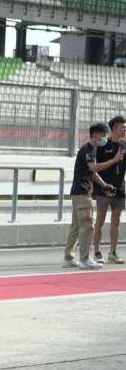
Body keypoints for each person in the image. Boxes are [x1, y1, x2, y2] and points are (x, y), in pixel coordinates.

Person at [64, 123, 122, 270]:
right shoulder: (88, 149)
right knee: (88, 225)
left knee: (76, 226)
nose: (104, 139)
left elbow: (93, 173)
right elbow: (94, 168)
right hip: (82, 192)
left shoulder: (91, 150)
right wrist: (114, 160)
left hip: (78, 192)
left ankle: (69, 257)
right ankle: (85, 259)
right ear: (95, 135)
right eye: (103, 136)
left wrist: (104, 184)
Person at [92, 116, 126, 264]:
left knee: (116, 221)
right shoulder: (103, 146)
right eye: (122, 127)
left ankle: (113, 252)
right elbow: (95, 168)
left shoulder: (125, 146)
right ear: (114, 128)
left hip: (119, 189)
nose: (124, 130)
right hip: (104, 189)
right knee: (100, 221)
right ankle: (96, 252)